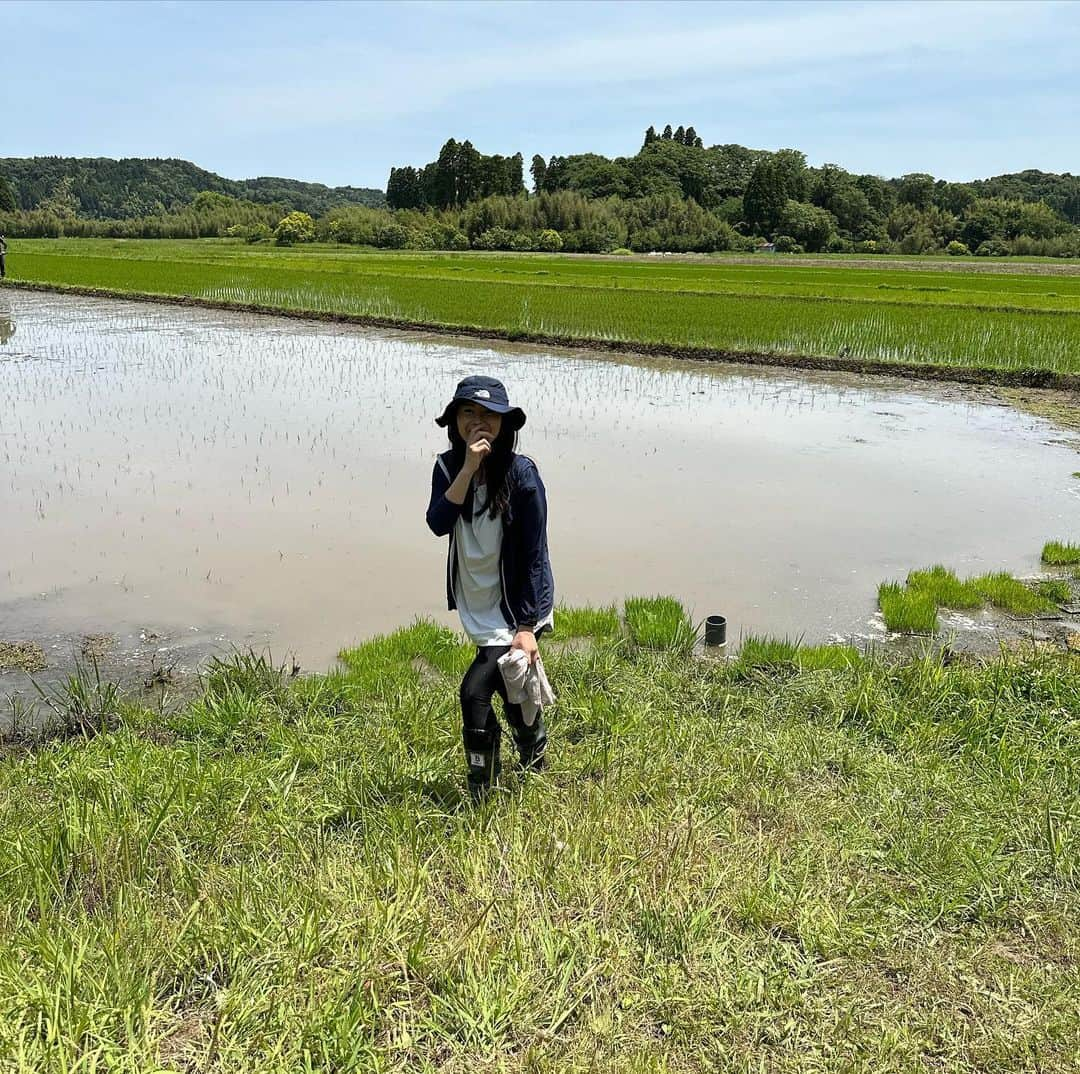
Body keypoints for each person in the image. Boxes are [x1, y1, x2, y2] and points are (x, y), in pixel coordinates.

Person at [426, 375, 555, 801]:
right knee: (507, 682)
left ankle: (481, 787)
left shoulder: (522, 475)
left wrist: (526, 626)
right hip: (476, 597)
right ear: (455, 420)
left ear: (504, 423)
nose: (477, 422)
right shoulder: (447, 467)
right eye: (468, 412)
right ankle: (534, 751)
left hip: (515, 602)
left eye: (488, 415)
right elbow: (438, 523)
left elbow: (535, 553)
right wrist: (467, 468)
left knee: (474, 691)